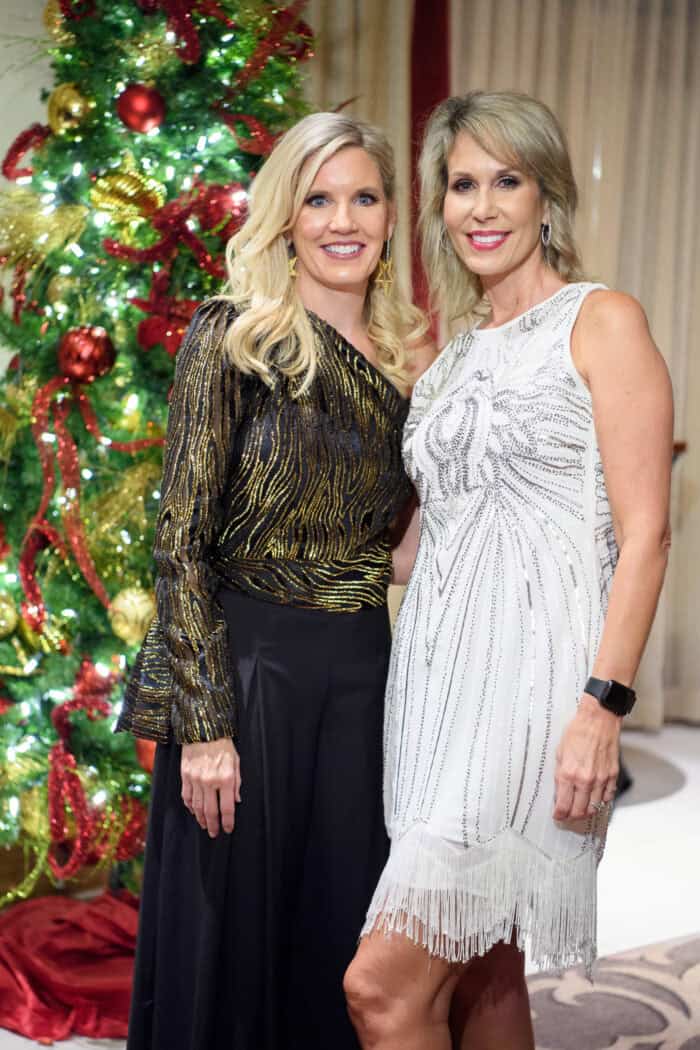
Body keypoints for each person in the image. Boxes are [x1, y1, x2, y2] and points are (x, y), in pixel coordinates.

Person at [343, 90, 673, 1050]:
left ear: (544, 197)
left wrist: (600, 706)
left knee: (383, 989)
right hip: (435, 695)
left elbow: (646, 533)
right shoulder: (444, 365)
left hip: (535, 696)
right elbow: (422, 543)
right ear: (440, 207)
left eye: (506, 181)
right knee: (484, 970)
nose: (481, 207)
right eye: (460, 185)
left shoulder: (601, 320)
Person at [117, 111, 429, 1050]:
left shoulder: (410, 364)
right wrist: (205, 728)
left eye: (364, 197)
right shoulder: (233, 339)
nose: (344, 221)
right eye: (319, 199)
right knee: (231, 940)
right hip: (248, 672)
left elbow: (401, 550)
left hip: (364, 674)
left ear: (388, 215)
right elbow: (179, 540)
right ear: (285, 219)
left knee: (337, 931)